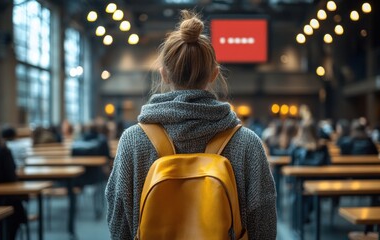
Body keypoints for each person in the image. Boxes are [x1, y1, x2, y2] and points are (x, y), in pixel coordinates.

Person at [105, 10, 276, 240]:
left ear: (164, 74)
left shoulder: (133, 140)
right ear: (214, 74)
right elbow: (264, 226)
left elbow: (118, 226)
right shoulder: (247, 143)